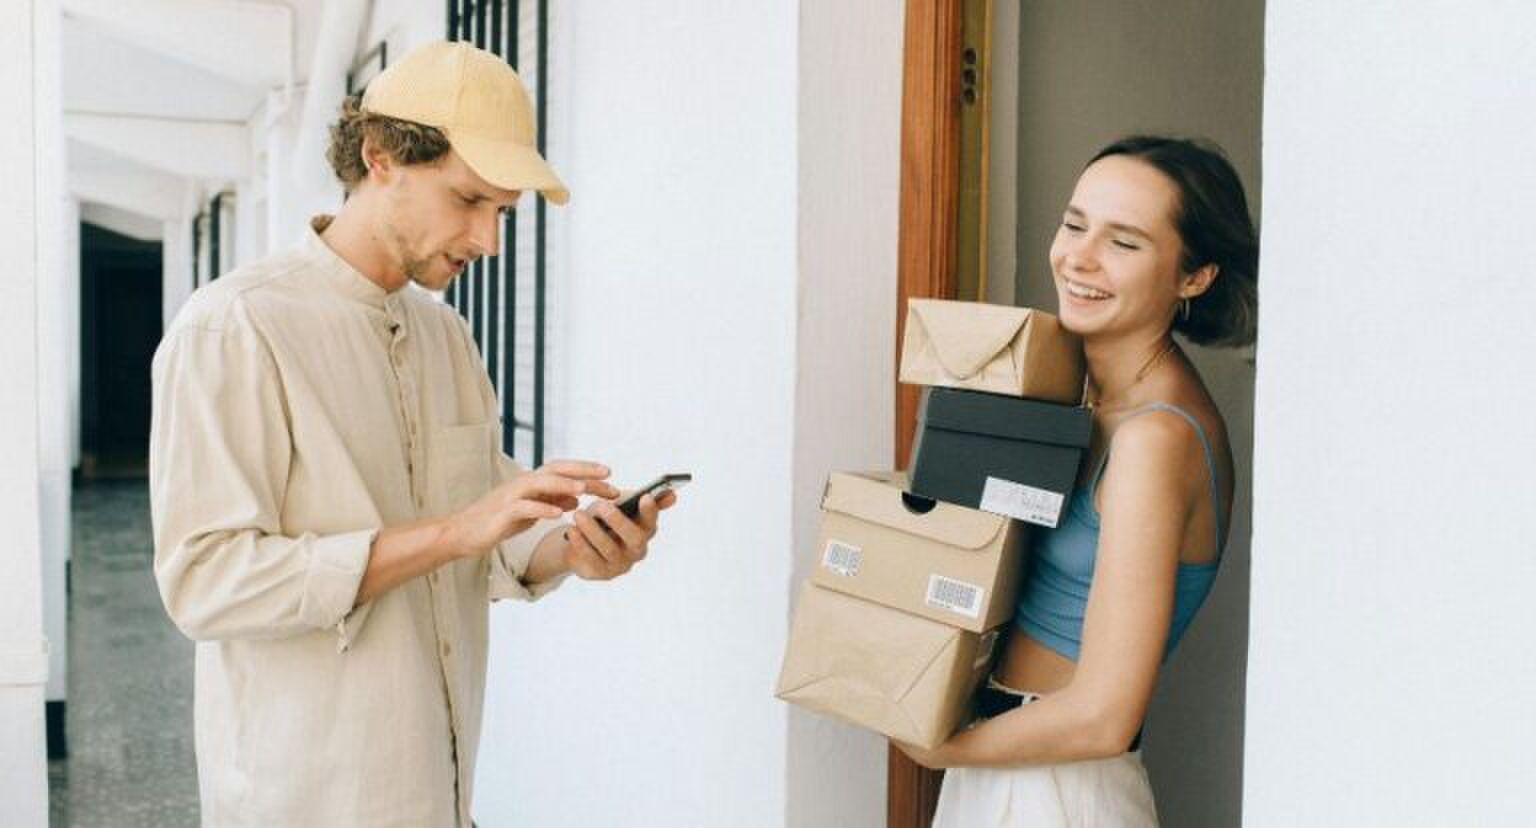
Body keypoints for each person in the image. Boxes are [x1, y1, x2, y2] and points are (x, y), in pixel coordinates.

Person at [148, 41, 675, 826]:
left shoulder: (447, 339)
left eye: (502, 212)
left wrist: (574, 546)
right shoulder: (235, 327)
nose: (489, 241)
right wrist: (453, 532)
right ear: (381, 159)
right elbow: (205, 583)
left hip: (439, 793)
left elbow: (484, 535)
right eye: (469, 201)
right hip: (305, 801)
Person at [897, 135, 1259, 826]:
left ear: (1195, 276)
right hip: (1010, 764)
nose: (1079, 258)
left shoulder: (1158, 438)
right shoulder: (1081, 397)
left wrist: (942, 749)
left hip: (1057, 788)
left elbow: (1102, 715)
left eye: (1124, 242)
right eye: (1074, 224)